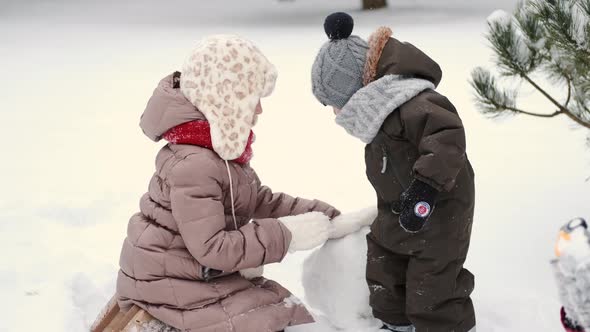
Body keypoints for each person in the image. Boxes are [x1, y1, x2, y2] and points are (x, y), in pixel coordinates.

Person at [115, 34, 340, 332]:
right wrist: (286, 235)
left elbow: (259, 201)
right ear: (226, 100)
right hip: (167, 283)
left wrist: (322, 215)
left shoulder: (214, 150)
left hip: (186, 271)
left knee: (283, 309)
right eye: (252, 99)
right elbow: (212, 248)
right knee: (277, 315)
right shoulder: (196, 165)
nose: (259, 110)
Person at [311, 12, 476, 332]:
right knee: (384, 266)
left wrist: (426, 188)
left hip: (440, 205)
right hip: (397, 206)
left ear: (359, 90)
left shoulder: (413, 101)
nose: (336, 114)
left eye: (336, 104)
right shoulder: (378, 117)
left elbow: (447, 137)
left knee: (431, 286)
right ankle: (395, 323)